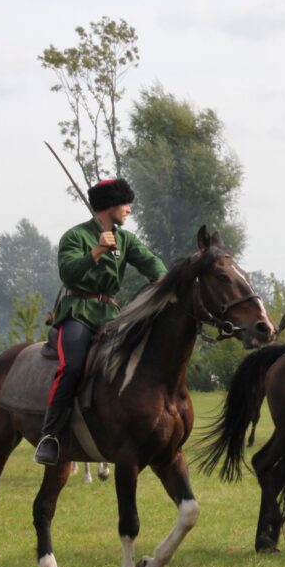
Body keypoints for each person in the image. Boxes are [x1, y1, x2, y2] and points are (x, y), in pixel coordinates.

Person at [34, 179, 167, 466]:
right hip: (78, 312)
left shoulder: (126, 240)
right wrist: (96, 251)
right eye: (126, 204)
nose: (129, 210)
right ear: (111, 206)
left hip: (111, 315)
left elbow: (150, 262)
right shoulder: (75, 236)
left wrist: (166, 281)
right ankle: (50, 435)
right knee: (71, 367)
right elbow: (68, 273)